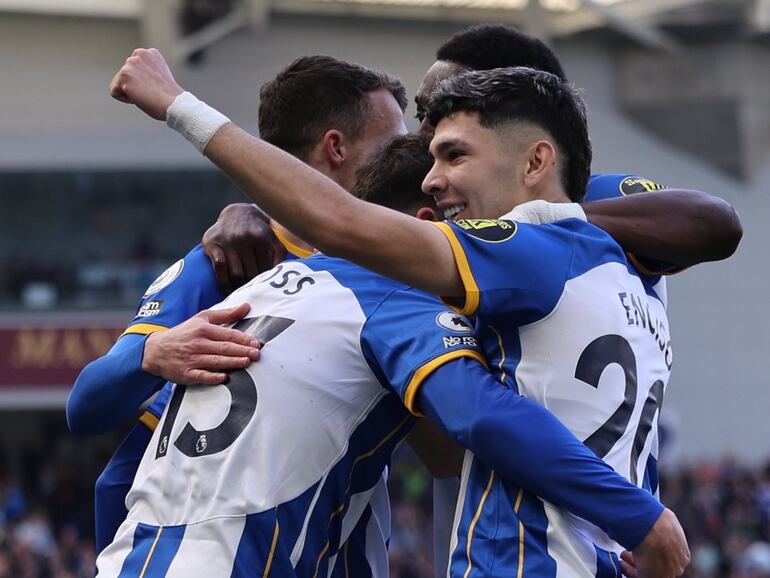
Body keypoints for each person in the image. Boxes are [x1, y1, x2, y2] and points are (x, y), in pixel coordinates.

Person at [108, 50, 714, 577]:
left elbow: (340, 224)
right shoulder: (625, 274)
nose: (432, 180)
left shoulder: (513, 252)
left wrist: (178, 105)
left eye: (453, 155)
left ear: (535, 163)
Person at [69, 55, 411, 578]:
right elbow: (89, 409)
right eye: (392, 146)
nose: (414, 167)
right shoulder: (227, 262)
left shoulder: (406, 261)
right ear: (336, 148)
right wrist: (152, 353)